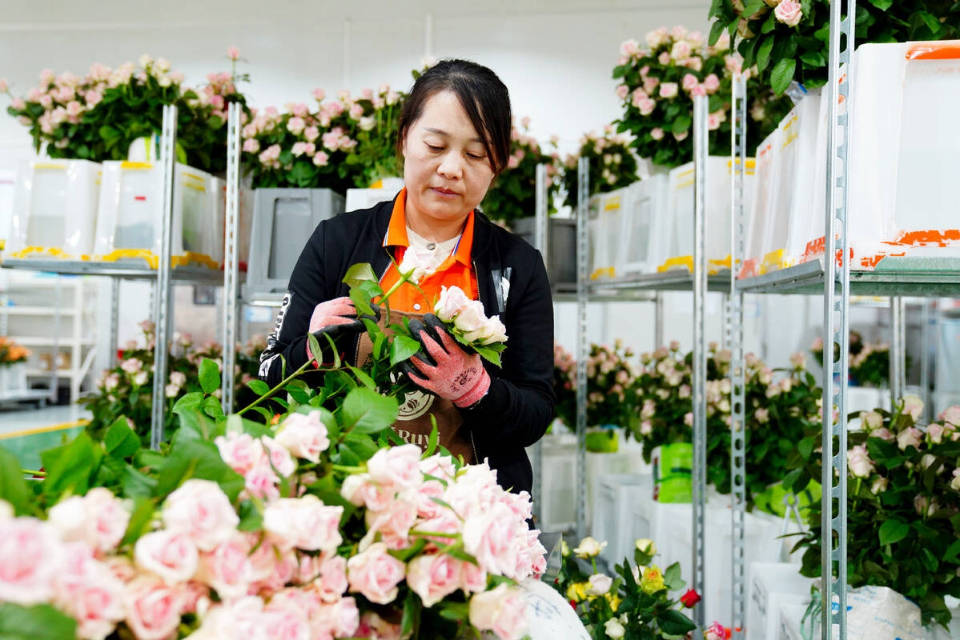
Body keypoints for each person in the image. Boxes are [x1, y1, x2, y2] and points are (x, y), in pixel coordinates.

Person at [258, 59, 554, 497]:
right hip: (350, 501)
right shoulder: (336, 243)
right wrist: (313, 349)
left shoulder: (517, 265)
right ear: (403, 140)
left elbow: (536, 410)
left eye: (475, 155)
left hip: (471, 513)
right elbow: (269, 378)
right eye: (435, 145)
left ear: (497, 166)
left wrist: (475, 389)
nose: (452, 169)